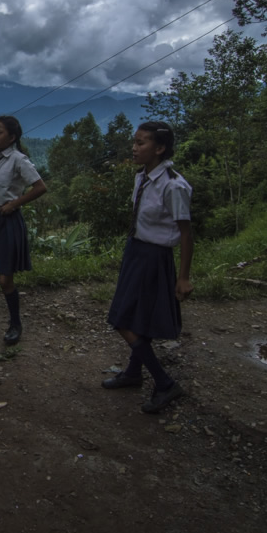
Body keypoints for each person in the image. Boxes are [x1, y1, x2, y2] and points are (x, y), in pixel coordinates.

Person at [102, 121, 193, 414]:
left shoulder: (173, 185)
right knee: (138, 317)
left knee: (122, 319)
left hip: (154, 257)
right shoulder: (142, 177)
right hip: (136, 251)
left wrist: (183, 277)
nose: (134, 148)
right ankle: (132, 372)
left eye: (141, 143)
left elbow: (187, 233)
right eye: (135, 142)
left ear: (160, 148)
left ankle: (164, 382)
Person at [0, 115, 47, 345]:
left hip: (7, 221)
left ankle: (15, 324)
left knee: (5, 278)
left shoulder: (18, 160)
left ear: (12, 137)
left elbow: (40, 187)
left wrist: (15, 203)